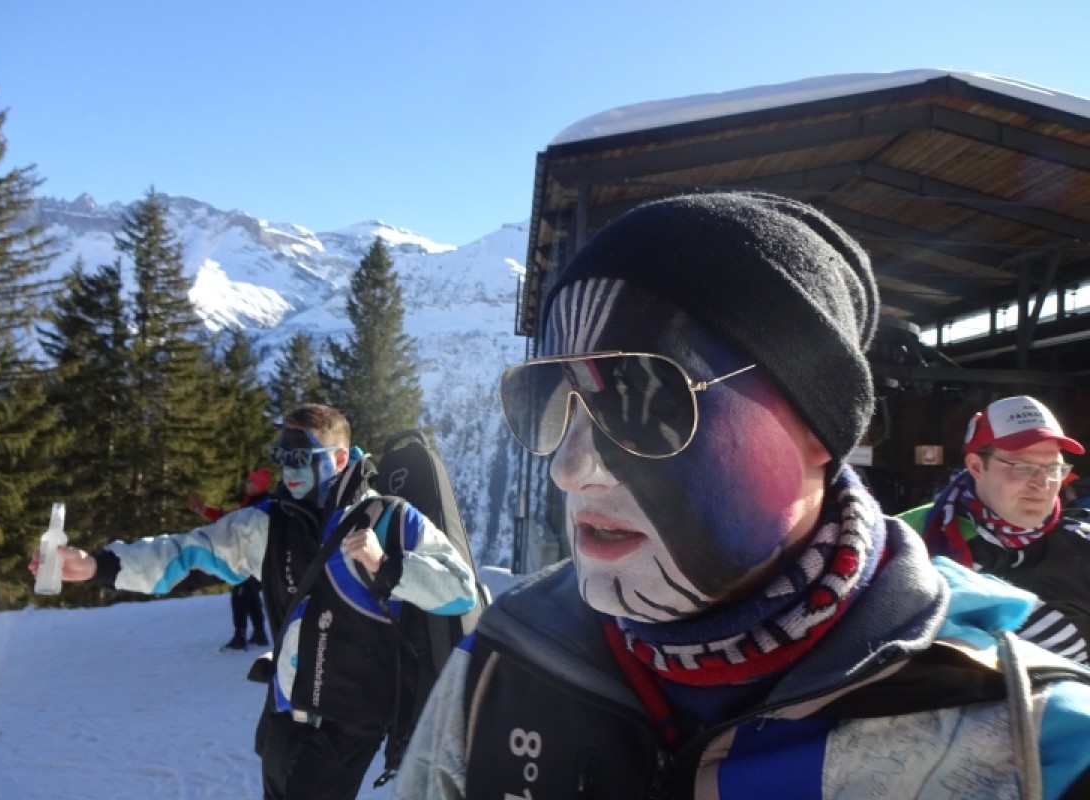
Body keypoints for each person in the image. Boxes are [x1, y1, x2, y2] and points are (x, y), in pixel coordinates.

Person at [391, 192, 1090, 800]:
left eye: (643, 402)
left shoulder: (1024, 728)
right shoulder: (506, 659)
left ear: (818, 427)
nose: (569, 470)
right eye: (551, 400)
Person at [31, 404, 478, 800]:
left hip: (348, 722)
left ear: (340, 459)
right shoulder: (270, 523)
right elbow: (186, 553)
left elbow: (461, 590)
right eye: (281, 457)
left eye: (301, 457)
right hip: (283, 712)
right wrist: (97, 566)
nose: (288, 469)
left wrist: (388, 566)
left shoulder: (392, 520)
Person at [899, 396, 1090, 664]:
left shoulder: (1081, 543)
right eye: (1023, 468)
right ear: (976, 466)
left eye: (1054, 468)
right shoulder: (909, 536)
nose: (1043, 483)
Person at [187, 468, 272, 650]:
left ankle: (240, 637)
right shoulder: (252, 502)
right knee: (248, 593)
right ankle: (259, 633)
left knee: (240, 594)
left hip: (256, 559)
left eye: (251, 481)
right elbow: (228, 517)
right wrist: (204, 510)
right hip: (252, 559)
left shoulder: (261, 503)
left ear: (259, 485)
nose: (247, 484)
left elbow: (232, 520)